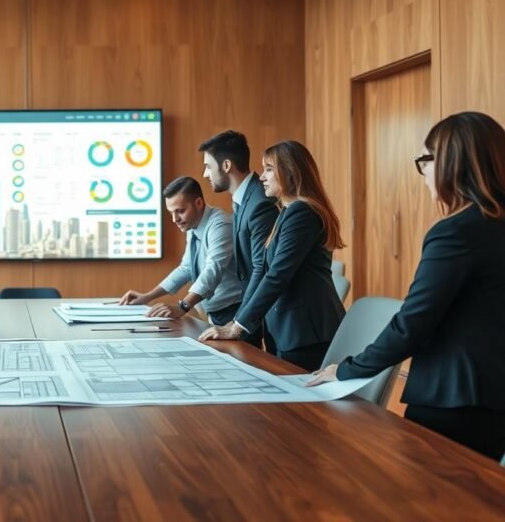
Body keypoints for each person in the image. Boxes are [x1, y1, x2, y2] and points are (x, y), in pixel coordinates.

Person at [309, 112, 505, 460]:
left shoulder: (455, 232)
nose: (424, 173)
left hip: (453, 401)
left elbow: (412, 323)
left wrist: (347, 369)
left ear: (450, 164)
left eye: (426, 160)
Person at [199, 140, 345, 371]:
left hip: (304, 332)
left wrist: (237, 326)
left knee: (299, 406)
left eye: (269, 169)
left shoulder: (302, 212)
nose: (262, 177)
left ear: (289, 173)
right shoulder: (288, 211)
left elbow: (277, 274)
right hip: (287, 329)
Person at [119, 177, 244, 325]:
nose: (174, 219)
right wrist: (147, 297)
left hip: (234, 311)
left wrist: (182, 306)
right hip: (216, 312)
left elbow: (213, 269)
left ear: (198, 203)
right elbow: (186, 268)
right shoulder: (192, 224)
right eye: (171, 212)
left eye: (180, 211)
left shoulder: (220, 224)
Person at [199, 130, 279, 350]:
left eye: (208, 166)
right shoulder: (246, 198)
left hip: (269, 319)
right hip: (255, 313)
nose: (205, 174)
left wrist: (237, 324)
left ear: (226, 166)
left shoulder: (259, 202)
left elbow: (260, 268)